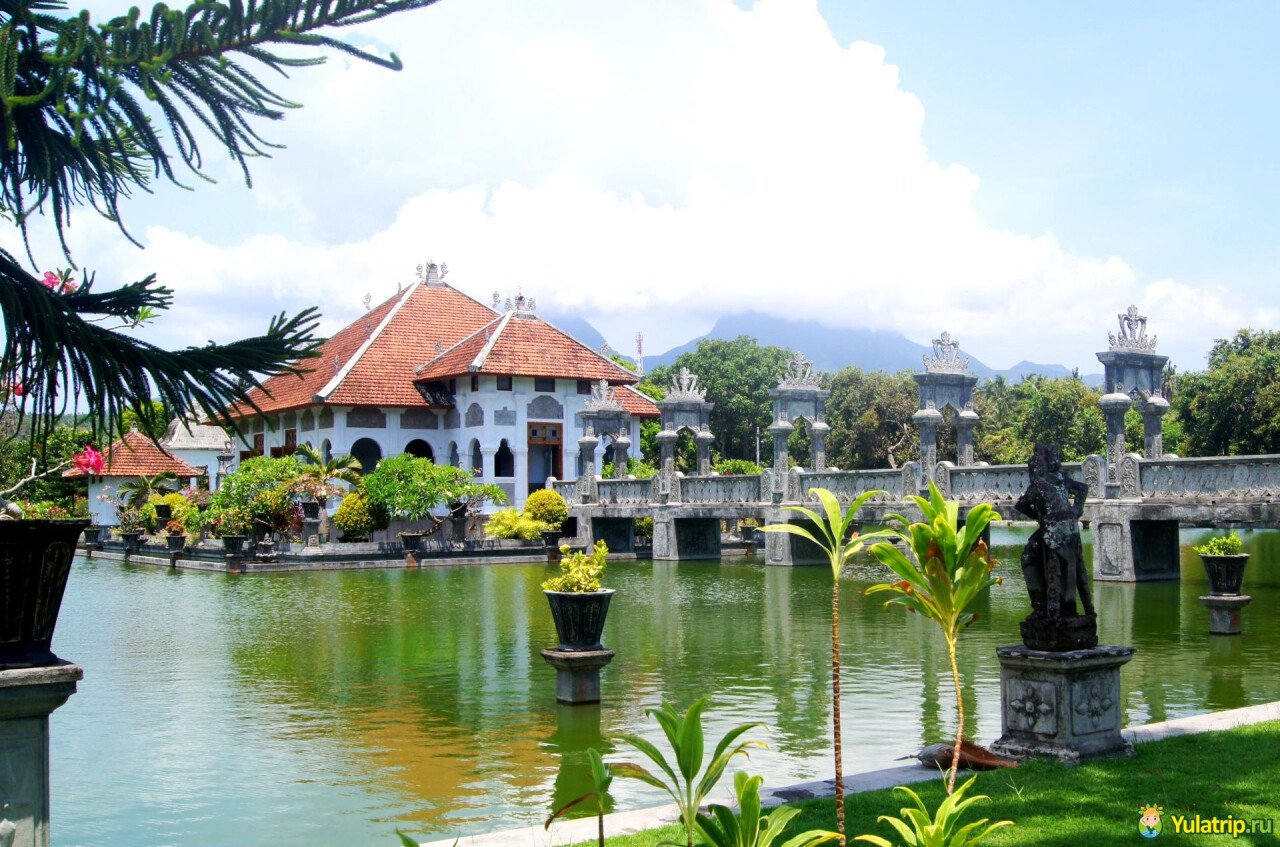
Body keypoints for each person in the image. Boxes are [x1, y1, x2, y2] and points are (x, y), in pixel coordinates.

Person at [1015, 444, 1095, 621]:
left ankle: (1042, 608)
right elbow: (1082, 489)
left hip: (1053, 532)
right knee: (1069, 562)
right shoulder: (1062, 478)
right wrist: (1076, 511)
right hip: (1071, 529)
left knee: (1028, 557)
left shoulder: (1038, 484)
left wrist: (1039, 516)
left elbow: (1020, 505)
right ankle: (1082, 607)